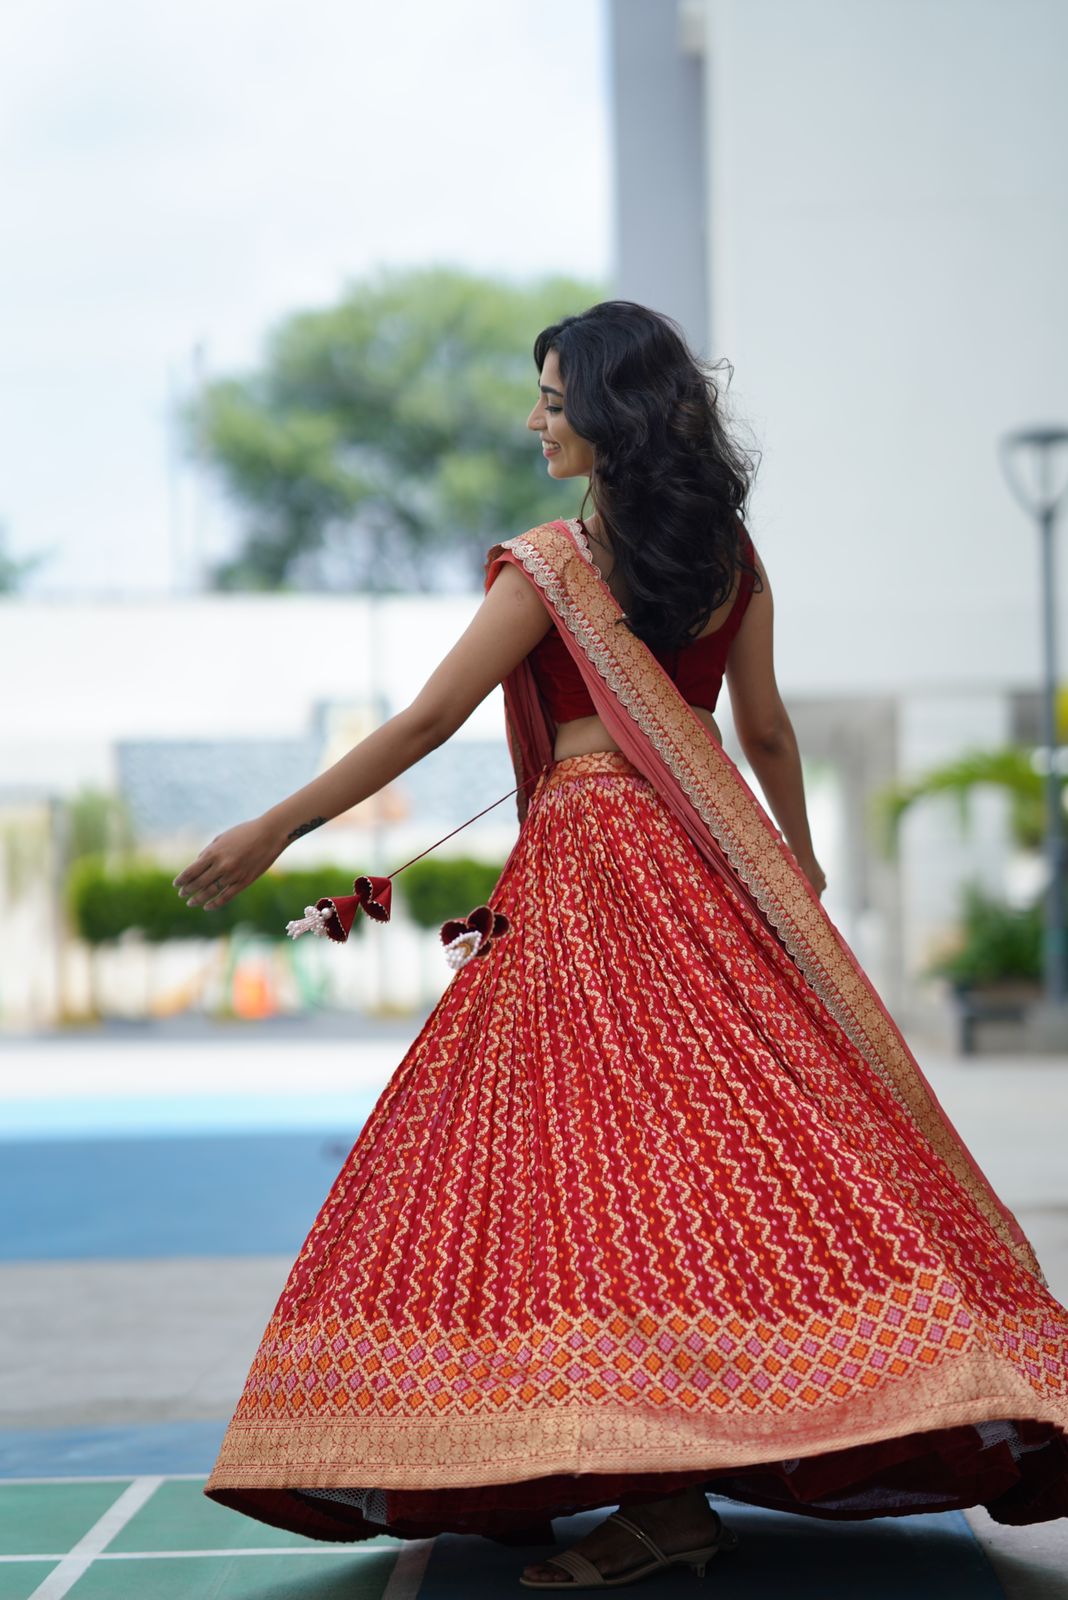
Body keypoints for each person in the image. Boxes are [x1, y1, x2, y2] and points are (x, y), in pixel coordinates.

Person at [174, 301, 1068, 1589]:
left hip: (596, 879)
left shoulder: (551, 568)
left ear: (607, 409)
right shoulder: (732, 561)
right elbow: (762, 733)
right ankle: (570, 1458)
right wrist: (798, 870)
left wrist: (274, 827)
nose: (534, 419)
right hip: (710, 877)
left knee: (547, 1170)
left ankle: (643, 1490)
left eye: (550, 396)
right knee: (718, 1170)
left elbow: (431, 720)